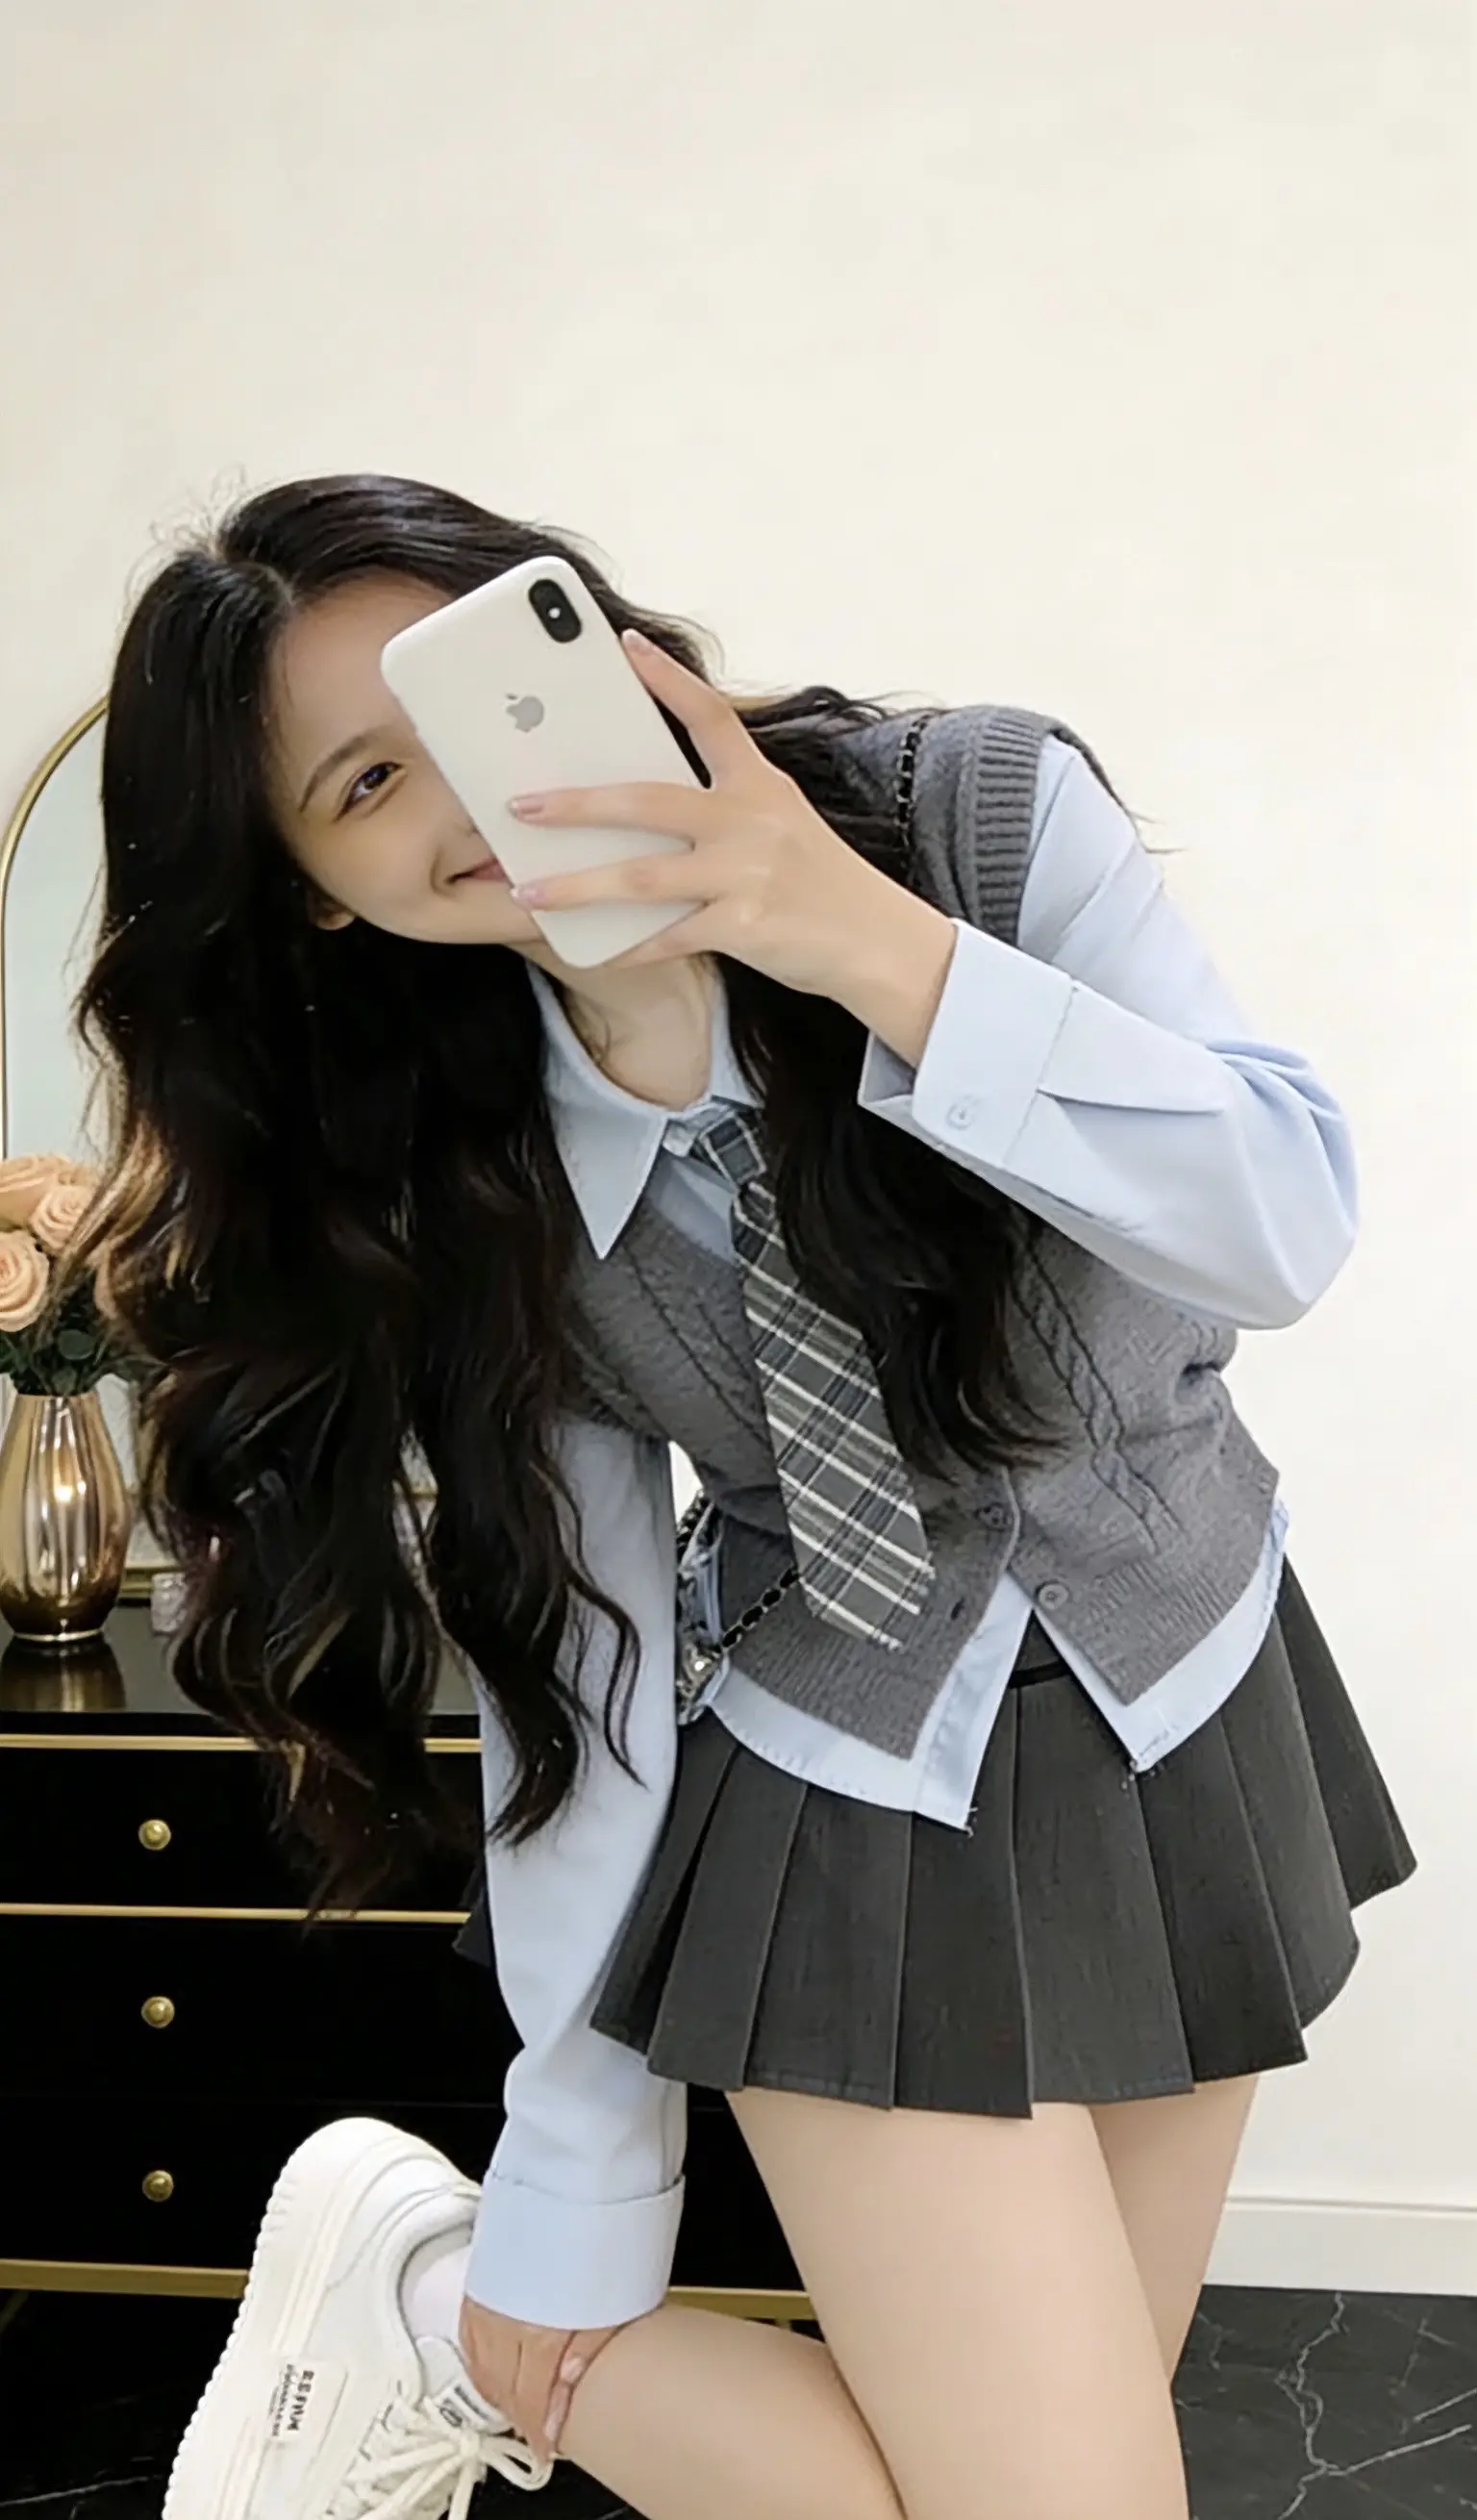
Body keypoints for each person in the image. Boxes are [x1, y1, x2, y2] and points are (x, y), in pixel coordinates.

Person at [63, 471, 1415, 2520]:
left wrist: (845, 935)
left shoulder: (975, 816)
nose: (473, 789)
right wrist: (571, 2162)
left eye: (472, 695)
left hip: (1185, 1699)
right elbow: (582, 1655)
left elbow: (1280, 1224)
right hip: (848, 1793)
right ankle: (416, 2294)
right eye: (367, 781)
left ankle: (407, 2294)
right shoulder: (458, 1175)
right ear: (315, 887)